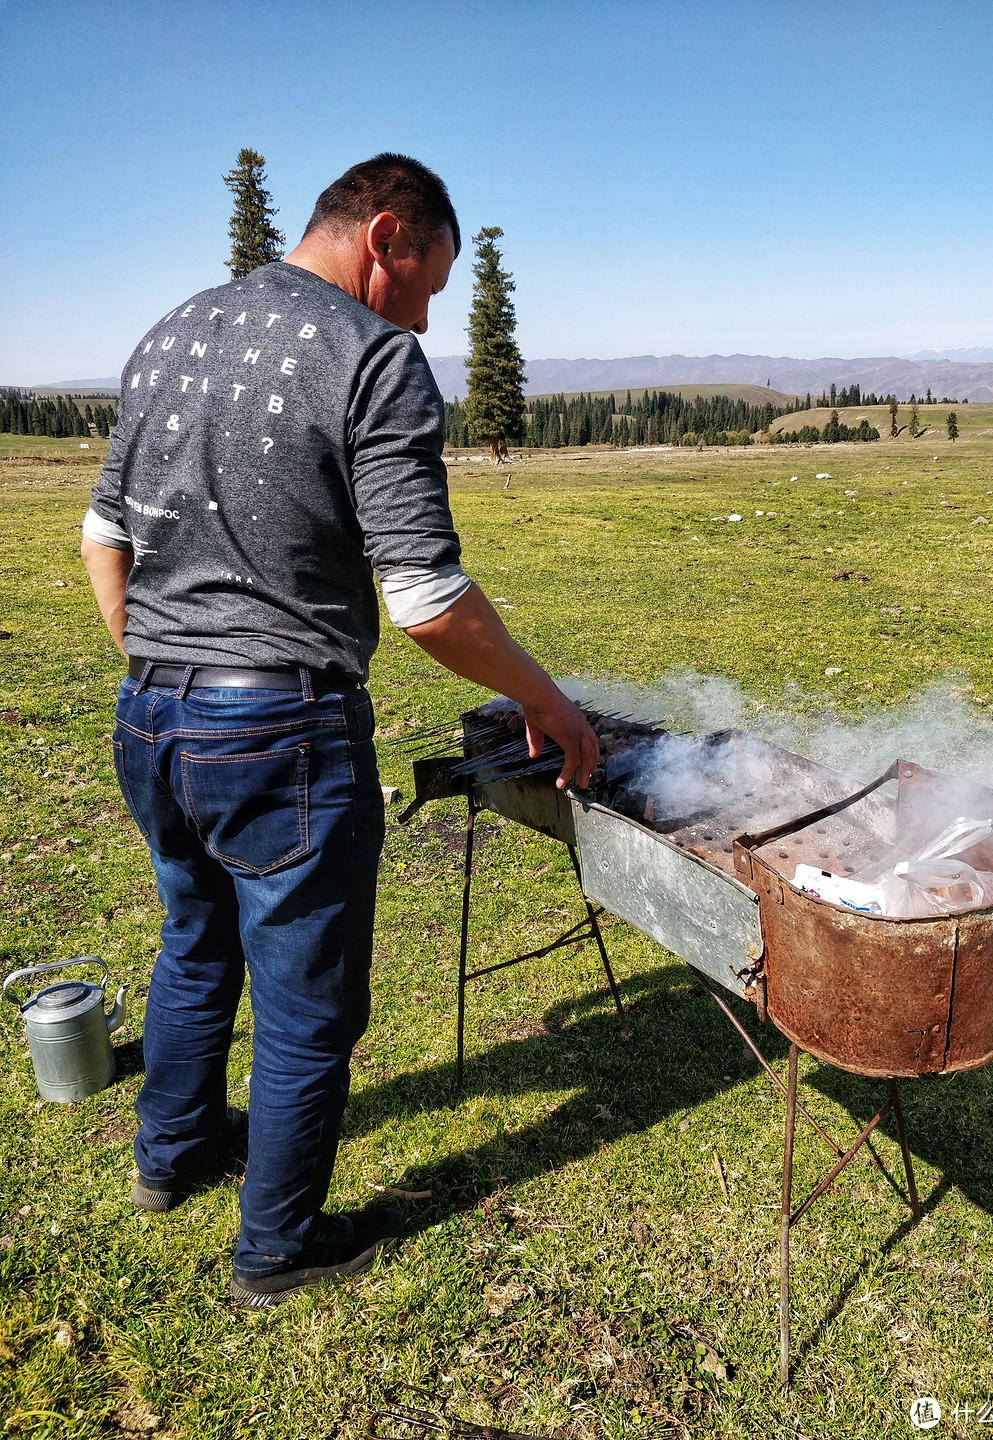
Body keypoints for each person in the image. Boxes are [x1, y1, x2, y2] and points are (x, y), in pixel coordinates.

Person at [80, 153, 598, 1308]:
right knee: (310, 1000)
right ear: (386, 234)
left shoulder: (173, 329)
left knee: (194, 934)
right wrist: (545, 700)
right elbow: (423, 598)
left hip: (153, 708)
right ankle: (278, 1250)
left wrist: (160, 668)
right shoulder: (373, 357)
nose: (428, 315)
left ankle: (171, 1159)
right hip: (278, 723)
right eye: (429, 282)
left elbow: (101, 536)